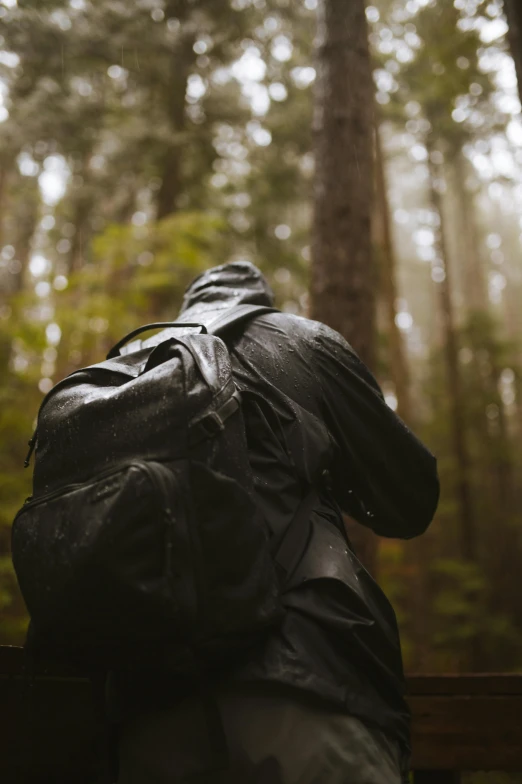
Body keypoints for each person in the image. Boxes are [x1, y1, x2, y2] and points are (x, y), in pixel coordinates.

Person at [111, 261, 439, 784]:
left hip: (146, 709)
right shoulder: (298, 339)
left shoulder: (129, 368)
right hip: (306, 688)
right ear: (260, 302)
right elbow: (410, 498)